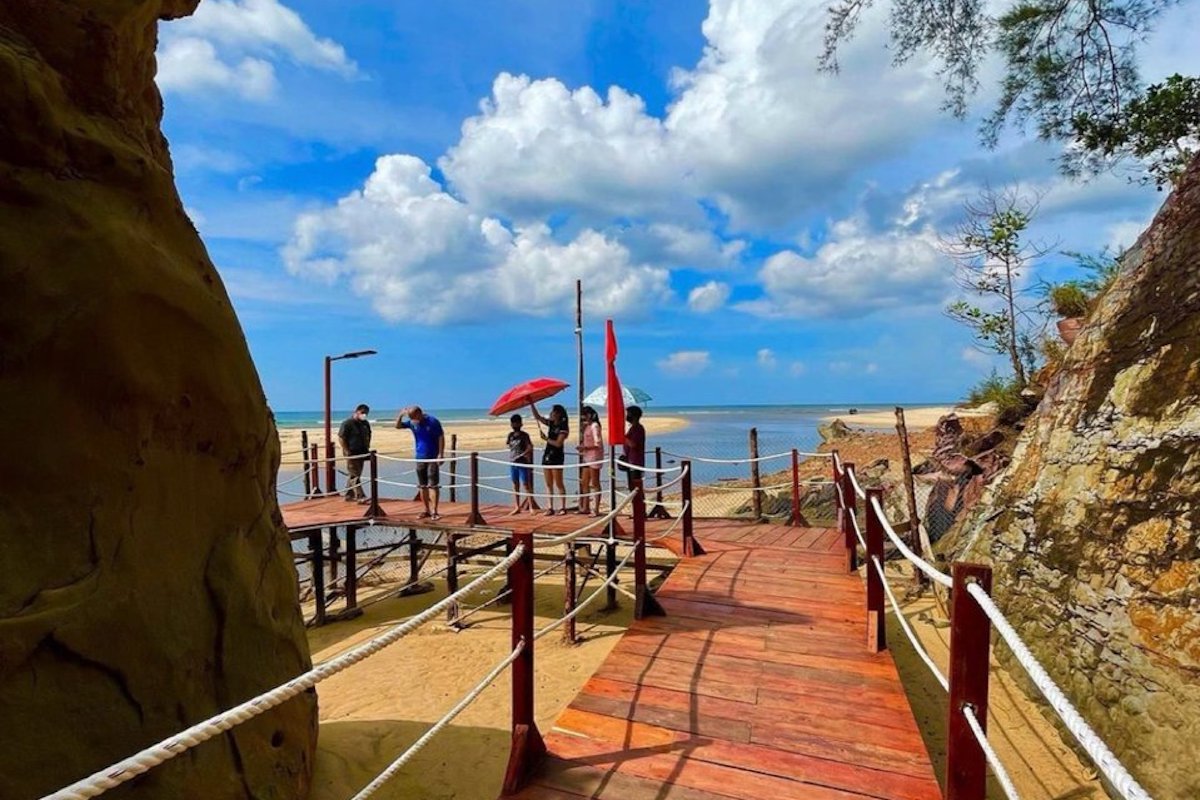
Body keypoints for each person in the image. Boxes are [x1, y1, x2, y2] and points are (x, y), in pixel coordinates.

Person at [395, 405, 445, 519]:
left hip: (432, 456)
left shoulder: (433, 421)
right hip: (420, 456)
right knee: (422, 485)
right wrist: (400, 415)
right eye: (411, 417)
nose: (413, 420)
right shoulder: (412, 423)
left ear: (420, 413)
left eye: (414, 417)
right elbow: (398, 426)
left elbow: (441, 437)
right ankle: (426, 510)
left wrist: (440, 454)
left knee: (433, 484)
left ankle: (435, 511)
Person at [529, 402, 569, 515]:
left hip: (557, 456)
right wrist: (531, 404)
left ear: (558, 413)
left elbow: (558, 443)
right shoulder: (551, 424)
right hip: (547, 455)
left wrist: (546, 439)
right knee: (548, 483)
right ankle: (550, 507)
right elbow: (538, 417)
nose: (550, 414)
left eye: (553, 412)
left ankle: (562, 507)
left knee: (559, 483)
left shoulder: (563, 427)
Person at [338, 403, 372, 503]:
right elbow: (341, 438)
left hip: (362, 452)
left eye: (366, 413)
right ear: (356, 412)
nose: (364, 415)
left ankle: (349, 494)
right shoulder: (347, 423)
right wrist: (347, 450)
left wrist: (367, 446)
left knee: (356, 474)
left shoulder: (365, 423)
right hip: (351, 452)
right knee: (354, 475)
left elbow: (368, 435)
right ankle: (360, 496)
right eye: (362, 413)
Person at [505, 413, 535, 515]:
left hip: (522, 462)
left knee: (526, 484)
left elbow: (530, 447)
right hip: (513, 462)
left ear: (520, 423)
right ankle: (517, 506)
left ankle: (531, 506)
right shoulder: (510, 435)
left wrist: (525, 453)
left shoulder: (524, 435)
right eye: (513, 423)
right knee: (515, 484)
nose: (514, 425)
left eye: (516, 423)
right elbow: (509, 446)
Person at [577, 406, 604, 516]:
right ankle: (585, 506)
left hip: (594, 457)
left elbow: (598, 444)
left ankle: (596, 508)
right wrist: (583, 446)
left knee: (595, 482)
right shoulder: (587, 426)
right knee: (584, 482)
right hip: (586, 457)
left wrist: (586, 448)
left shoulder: (595, 426)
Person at [622, 405, 646, 490]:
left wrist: (624, 437)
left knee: (636, 487)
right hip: (630, 461)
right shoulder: (632, 428)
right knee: (632, 487)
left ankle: (638, 503)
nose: (627, 416)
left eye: (628, 414)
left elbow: (633, 444)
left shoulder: (638, 429)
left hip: (635, 462)